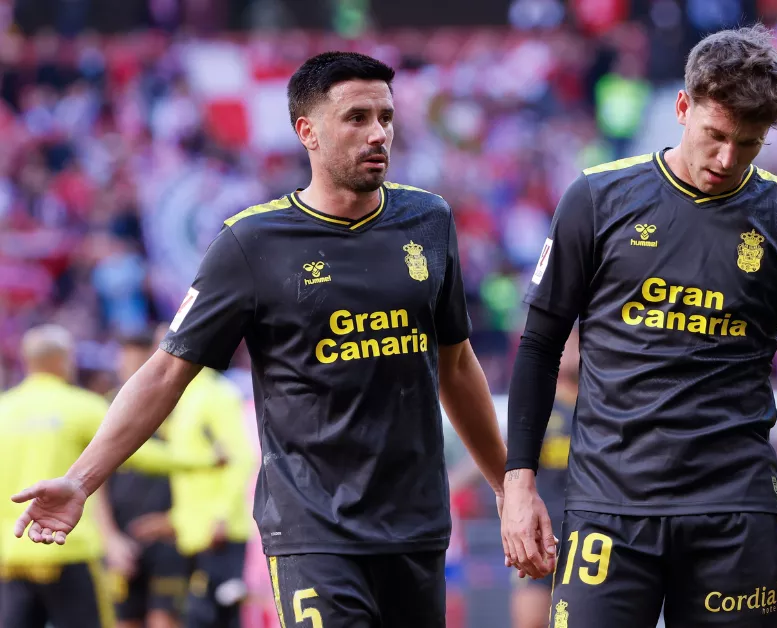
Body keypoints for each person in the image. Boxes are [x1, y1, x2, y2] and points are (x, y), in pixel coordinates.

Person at [11, 51, 509, 628]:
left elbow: (458, 366)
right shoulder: (252, 242)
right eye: (356, 118)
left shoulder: (429, 220)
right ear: (307, 132)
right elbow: (165, 373)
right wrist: (81, 480)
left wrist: (508, 485)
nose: (378, 133)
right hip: (312, 529)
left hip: (416, 524)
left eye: (386, 117)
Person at [501, 24, 777, 628]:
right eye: (715, 136)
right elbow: (538, 347)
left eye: (747, 144)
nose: (726, 159)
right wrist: (518, 485)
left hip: (733, 512)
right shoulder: (597, 199)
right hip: (608, 510)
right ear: (683, 107)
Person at [0, 325, 216, 628]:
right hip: (70, 548)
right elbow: (135, 450)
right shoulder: (82, 406)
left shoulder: (3, 410)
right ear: (62, 360)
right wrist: (205, 460)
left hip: (11, 553)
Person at [123, 324, 256, 628]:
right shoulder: (182, 398)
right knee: (198, 617)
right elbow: (183, 463)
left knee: (217, 618)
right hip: (192, 533)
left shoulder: (216, 394)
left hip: (219, 532)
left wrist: (220, 515)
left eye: (166, 345)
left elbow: (239, 458)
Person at [108, 333, 190, 628]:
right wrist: (110, 539)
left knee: (164, 620)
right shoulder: (105, 410)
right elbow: (97, 487)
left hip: (169, 537)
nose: (129, 366)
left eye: (139, 359)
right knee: (124, 620)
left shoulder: (181, 408)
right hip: (123, 537)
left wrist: (177, 520)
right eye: (125, 358)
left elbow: (202, 468)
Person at [509, 328, 578, 628]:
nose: (574, 349)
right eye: (569, 341)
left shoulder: (601, 405)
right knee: (531, 620)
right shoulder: (540, 407)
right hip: (542, 533)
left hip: (591, 528)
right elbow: (503, 454)